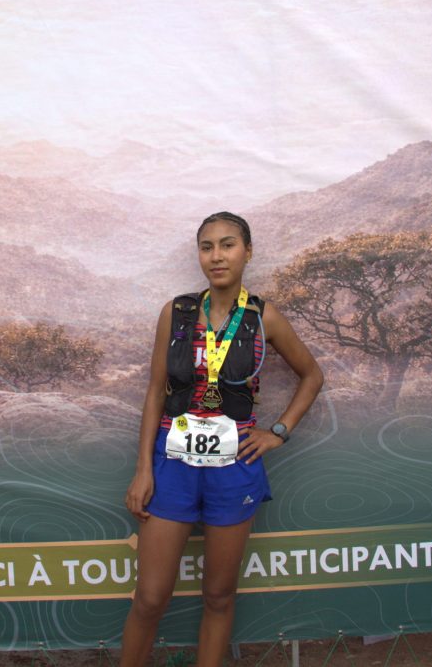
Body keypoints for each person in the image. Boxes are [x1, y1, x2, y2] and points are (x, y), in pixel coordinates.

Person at [120, 212, 324, 666]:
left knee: (218, 596)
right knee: (150, 597)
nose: (217, 256)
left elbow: (312, 375)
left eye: (228, 245)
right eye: (207, 246)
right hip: (173, 463)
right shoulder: (176, 312)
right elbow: (155, 391)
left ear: (247, 252)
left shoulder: (263, 317)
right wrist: (143, 469)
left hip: (234, 467)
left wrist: (278, 432)